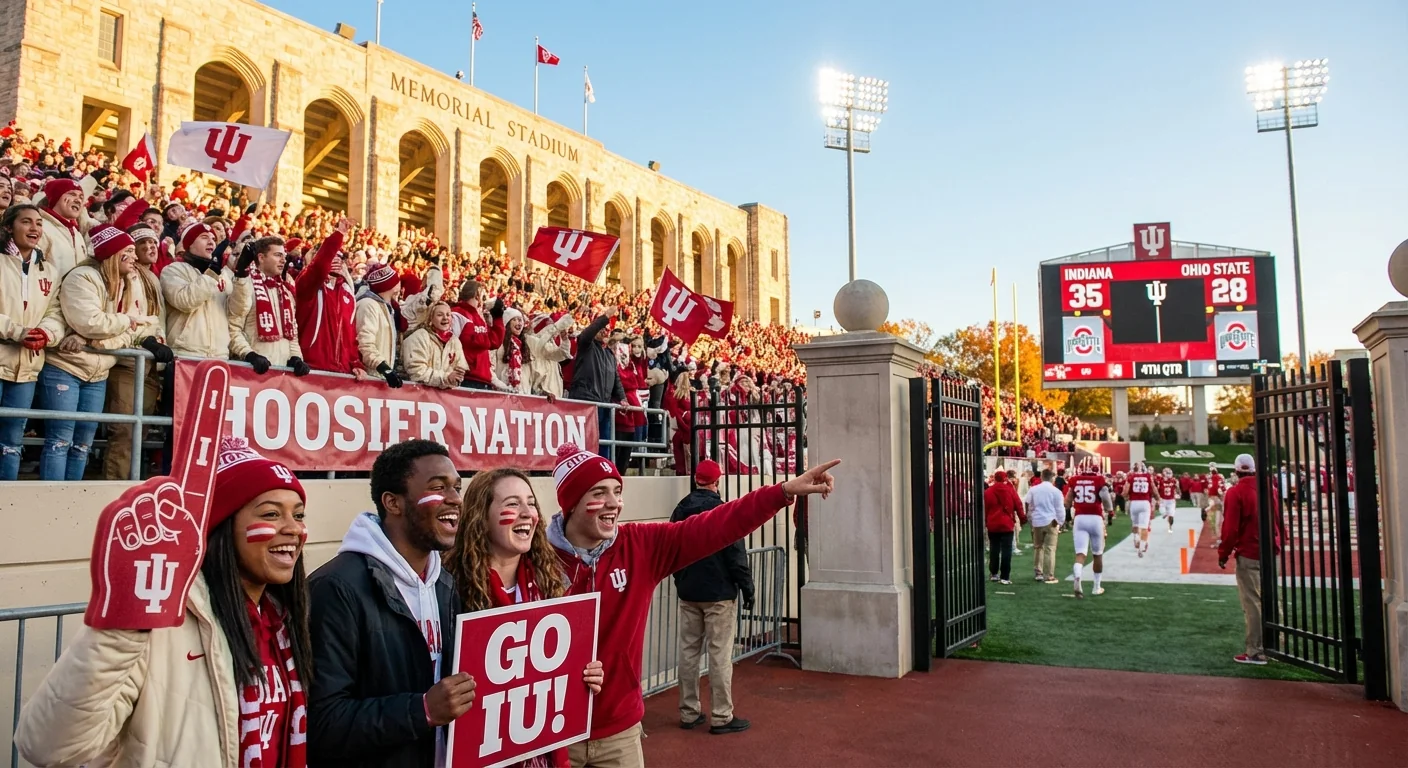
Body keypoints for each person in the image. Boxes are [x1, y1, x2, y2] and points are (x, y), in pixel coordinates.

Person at [15, 437, 313, 766]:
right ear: (220, 527)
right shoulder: (161, 625)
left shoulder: (283, 622)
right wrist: (124, 616)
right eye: (271, 514)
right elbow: (47, 747)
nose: (294, 529)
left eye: (298, 515)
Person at [546, 442, 840, 765]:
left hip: (620, 731)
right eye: (600, 493)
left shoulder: (639, 545)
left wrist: (781, 492)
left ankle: (697, 710)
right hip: (553, 732)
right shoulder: (533, 559)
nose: (615, 503)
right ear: (571, 502)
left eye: (617, 490)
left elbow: (717, 526)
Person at [307, 439, 471, 767]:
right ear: (393, 503)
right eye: (438, 487)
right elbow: (322, 724)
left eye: (456, 486)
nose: (454, 499)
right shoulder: (336, 588)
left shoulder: (445, 583)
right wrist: (421, 710)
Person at [441, 467, 606, 767]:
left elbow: (559, 676)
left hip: (541, 754)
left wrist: (584, 674)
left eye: (531, 503)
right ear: (481, 515)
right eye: (512, 504)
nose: (528, 513)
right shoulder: (448, 589)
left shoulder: (550, 583)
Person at [38, 225, 166, 480]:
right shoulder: (82, 276)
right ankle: (51, 500)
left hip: (99, 370)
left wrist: (101, 341)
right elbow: (90, 322)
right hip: (67, 365)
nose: (134, 257)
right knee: (60, 439)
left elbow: (143, 325)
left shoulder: (128, 281)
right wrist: (124, 322)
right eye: (128, 251)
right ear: (113, 254)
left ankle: (73, 500)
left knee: (83, 444)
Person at [670, 459, 754, 735]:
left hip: (689, 590)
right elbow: (735, 553)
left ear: (695, 479)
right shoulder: (723, 510)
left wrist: (679, 580)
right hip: (719, 592)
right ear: (717, 481)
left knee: (688, 652)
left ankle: (689, 711)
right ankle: (721, 715)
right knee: (719, 655)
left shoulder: (680, 509)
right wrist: (746, 586)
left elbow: (670, 548)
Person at [0, 204, 64, 480]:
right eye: (26, 222)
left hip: (27, 369)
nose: (35, 228)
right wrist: (17, 332)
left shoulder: (49, 270)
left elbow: (56, 313)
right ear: (8, 228)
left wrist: (46, 333)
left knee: (11, 445)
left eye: (38, 223)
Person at [103, 223, 168, 479]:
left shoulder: (151, 276)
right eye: (143, 244)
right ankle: (113, 494)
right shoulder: (125, 275)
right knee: (124, 433)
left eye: (154, 242)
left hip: (149, 364)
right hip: (128, 360)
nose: (150, 247)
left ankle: (130, 492)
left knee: (139, 434)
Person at [1219, 453, 1282, 665]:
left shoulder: (1236, 492)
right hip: (1271, 551)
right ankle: (1276, 646)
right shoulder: (1270, 489)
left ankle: (1256, 650)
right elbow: (1278, 519)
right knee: (1272, 598)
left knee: (1253, 602)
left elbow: (1230, 530)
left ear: (1236, 471)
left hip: (1250, 551)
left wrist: (1223, 554)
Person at [229, 235, 311, 376]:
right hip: (251, 373)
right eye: (278, 255)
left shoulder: (285, 292)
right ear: (261, 258)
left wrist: (296, 357)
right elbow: (233, 328)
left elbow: (292, 334)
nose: (283, 260)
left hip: (280, 376)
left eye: (284, 256)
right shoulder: (244, 284)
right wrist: (249, 355)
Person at [294, 218, 365, 377]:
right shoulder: (307, 284)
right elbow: (318, 268)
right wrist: (339, 234)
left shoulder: (347, 292)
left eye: (340, 256)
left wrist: (355, 363)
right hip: (312, 370)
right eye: (332, 255)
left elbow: (350, 336)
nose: (337, 259)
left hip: (342, 374)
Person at [160, 220, 235, 360]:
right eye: (204, 237)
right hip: (185, 354)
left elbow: (235, 312)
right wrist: (212, 271)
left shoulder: (223, 275)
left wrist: (242, 275)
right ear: (190, 244)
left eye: (213, 239)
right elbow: (185, 301)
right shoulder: (173, 269)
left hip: (219, 356)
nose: (211, 242)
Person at [568, 308, 625, 459]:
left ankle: (601, 468)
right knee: (585, 443)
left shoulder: (609, 355)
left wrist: (622, 398)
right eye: (601, 328)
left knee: (603, 445)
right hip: (585, 402)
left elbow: (616, 378)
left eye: (607, 329)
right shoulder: (586, 344)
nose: (604, 331)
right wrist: (605, 317)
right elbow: (587, 333)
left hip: (604, 405)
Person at [354, 262, 408, 389]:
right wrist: (384, 368)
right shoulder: (368, 305)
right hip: (370, 378)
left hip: (379, 379)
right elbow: (365, 344)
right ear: (388, 284)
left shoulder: (386, 306)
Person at [1065, 462, 1112, 598]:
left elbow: (1067, 502)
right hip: (1095, 518)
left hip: (1080, 519)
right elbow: (1105, 496)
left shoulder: (1075, 480)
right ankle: (1096, 587)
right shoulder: (1098, 480)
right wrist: (1110, 511)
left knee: (1080, 554)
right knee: (1097, 554)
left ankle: (1078, 577)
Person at [449, 280, 504, 390]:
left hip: (483, 378)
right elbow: (451, 344)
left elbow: (495, 342)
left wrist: (497, 317)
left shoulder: (479, 317)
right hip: (466, 377)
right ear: (478, 294)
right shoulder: (456, 314)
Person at [402, 301, 468, 389]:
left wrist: (456, 377)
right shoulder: (419, 337)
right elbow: (416, 371)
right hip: (416, 394)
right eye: (440, 315)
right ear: (430, 319)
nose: (445, 318)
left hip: (442, 399)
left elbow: (459, 368)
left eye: (448, 314)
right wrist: (445, 378)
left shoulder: (454, 341)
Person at [34, 177, 90, 277]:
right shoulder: (40, 227)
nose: (78, 200)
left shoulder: (77, 233)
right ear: (56, 197)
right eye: (72, 194)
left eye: (81, 197)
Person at [983, 470, 1024, 584]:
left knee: (994, 549)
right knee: (1007, 550)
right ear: (1005, 479)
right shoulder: (1010, 490)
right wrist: (1022, 518)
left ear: (995, 479)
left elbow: (985, 509)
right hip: (1006, 524)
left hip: (993, 524)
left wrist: (987, 521)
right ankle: (1005, 576)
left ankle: (994, 573)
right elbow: (1018, 504)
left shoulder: (988, 492)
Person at [1025, 469, 1064, 583]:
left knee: (1038, 547)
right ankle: (1049, 575)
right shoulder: (1056, 491)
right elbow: (1060, 508)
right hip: (1051, 520)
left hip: (1037, 521)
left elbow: (1028, 503)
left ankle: (1038, 572)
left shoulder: (1034, 489)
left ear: (1041, 477)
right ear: (1052, 478)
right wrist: (1059, 522)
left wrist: (1030, 516)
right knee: (1050, 548)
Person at [526, 310, 574, 397]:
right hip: (543, 394)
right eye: (549, 326)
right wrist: (556, 327)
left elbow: (562, 354)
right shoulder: (532, 341)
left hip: (554, 392)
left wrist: (565, 340)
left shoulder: (550, 343)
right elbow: (540, 344)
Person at [492, 306, 532, 393]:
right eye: (515, 319)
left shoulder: (524, 346)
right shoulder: (499, 343)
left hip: (522, 396)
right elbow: (491, 369)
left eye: (520, 320)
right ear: (507, 323)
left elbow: (528, 376)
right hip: (502, 393)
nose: (519, 323)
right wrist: (503, 387)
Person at [664, 368, 694, 476]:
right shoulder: (673, 393)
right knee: (681, 456)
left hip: (686, 426)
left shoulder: (689, 393)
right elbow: (674, 412)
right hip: (680, 427)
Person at [1125, 462, 1155, 558]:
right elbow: (1154, 489)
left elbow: (1125, 491)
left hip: (1134, 503)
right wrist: (1158, 498)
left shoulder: (1131, 477)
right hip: (1145, 502)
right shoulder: (1148, 476)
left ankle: (1136, 538)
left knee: (1135, 524)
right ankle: (1141, 548)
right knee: (1144, 527)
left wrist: (1124, 496)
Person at [1205, 464, 1226, 548]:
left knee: (1217, 522)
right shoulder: (1215, 478)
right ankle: (1220, 540)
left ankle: (1221, 541)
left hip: (1216, 500)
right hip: (1215, 500)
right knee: (1216, 522)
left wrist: (1217, 500)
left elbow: (1220, 491)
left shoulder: (1216, 478)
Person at [1157, 467, 1180, 534]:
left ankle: (1170, 527)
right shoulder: (1160, 480)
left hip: (1171, 500)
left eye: (1170, 473)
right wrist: (1158, 498)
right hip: (1163, 500)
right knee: (1164, 514)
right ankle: (1166, 515)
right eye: (1167, 473)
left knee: (1171, 516)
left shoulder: (1174, 481)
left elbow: (1178, 489)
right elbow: (1157, 490)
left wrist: (1178, 491)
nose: (1169, 474)